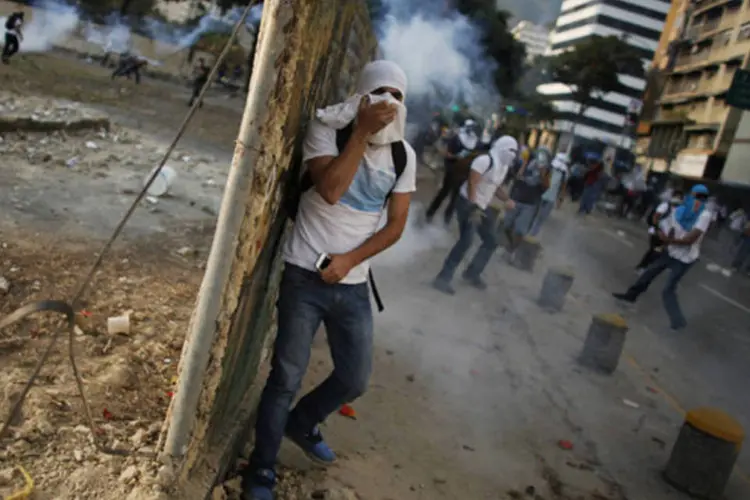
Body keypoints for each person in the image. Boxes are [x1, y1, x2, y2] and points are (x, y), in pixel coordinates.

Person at [241, 61, 416, 500]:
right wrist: (358, 133)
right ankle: (261, 470)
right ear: (360, 97)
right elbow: (332, 190)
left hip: (353, 284)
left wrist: (349, 261)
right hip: (304, 274)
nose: (389, 104)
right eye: (380, 93)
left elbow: (395, 227)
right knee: (285, 376)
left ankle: (302, 422)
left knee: (355, 378)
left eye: (398, 96)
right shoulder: (327, 131)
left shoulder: (403, 156)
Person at [612, 185, 712, 331]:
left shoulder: (704, 215)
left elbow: (691, 239)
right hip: (671, 252)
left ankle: (678, 320)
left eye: (697, 197)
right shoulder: (682, 209)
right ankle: (630, 296)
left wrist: (668, 240)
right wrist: (663, 235)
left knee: (668, 289)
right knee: (649, 272)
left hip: (685, 258)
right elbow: (669, 225)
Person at [432, 136, 518, 294]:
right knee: (466, 240)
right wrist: (473, 207)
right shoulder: (485, 160)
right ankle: (442, 278)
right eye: (510, 150)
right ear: (501, 148)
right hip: (467, 203)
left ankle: (472, 273)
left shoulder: (503, 167)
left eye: (514, 152)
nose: (512, 154)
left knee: (491, 240)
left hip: (481, 206)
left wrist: (507, 199)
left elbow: (495, 186)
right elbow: (472, 182)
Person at [424, 119, 479, 225]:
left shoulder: (475, 142)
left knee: (455, 198)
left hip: (464, 173)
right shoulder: (456, 139)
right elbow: (447, 154)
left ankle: (446, 220)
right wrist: (457, 157)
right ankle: (429, 214)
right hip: (452, 169)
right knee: (444, 192)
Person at [504, 147, 551, 256]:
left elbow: (546, 186)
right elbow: (518, 177)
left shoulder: (546, 170)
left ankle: (512, 250)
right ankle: (510, 245)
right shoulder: (525, 163)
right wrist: (525, 163)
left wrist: (542, 173)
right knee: (507, 225)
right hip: (516, 199)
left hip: (530, 204)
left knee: (520, 230)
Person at [635, 190, 683, 273]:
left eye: (680, 198)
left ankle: (646, 266)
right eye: (677, 197)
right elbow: (655, 217)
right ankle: (641, 267)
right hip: (656, 232)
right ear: (673, 197)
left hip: (666, 235)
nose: (678, 200)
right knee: (654, 250)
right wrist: (658, 230)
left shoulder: (679, 209)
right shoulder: (665, 206)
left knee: (658, 251)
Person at [530, 152, 568, 237]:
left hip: (549, 198)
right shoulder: (549, 168)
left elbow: (563, 188)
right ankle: (529, 233)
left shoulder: (563, 173)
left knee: (540, 218)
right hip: (542, 195)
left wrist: (560, 200)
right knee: (535, 215)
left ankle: (532, 235)